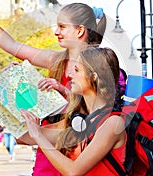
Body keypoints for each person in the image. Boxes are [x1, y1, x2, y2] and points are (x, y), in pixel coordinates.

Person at [0, 0, 107, 176]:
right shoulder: (56, 60)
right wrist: (19, 78)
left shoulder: (98, 64)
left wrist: (65, 94)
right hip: (49, 144)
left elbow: (98, 110)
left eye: (62, 27)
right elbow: (11, 45)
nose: (56, 32)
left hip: (79, 148)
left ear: (80, 30)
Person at [21, 47, 127, 175]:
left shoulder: (113, 123)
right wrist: (16, 79)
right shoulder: (78, 120)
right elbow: (23, 138)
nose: (70, 75)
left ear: (93, 77)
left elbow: (73, 171)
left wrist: (38, 135)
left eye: (76, 70)